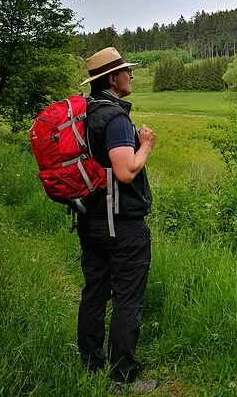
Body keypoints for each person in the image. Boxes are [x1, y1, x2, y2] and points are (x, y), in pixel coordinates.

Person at [76, 47, 158, 392]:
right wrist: (147, 145)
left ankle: (91, 364)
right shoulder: (115, 118)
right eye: (127, 71)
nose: (131, 76)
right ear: (112, 79)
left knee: (94, 291)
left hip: (89, 219)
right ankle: (122, 377)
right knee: (127, 298)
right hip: (121, 224)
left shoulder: (85, 113)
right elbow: (125, 171)